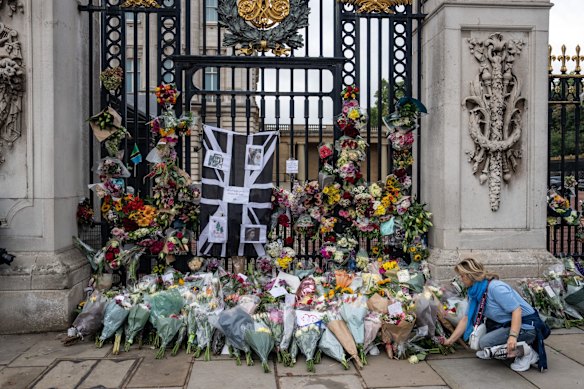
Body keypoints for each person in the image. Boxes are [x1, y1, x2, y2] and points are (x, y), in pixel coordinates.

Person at [442, 258, 550, 372]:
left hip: (527, 326)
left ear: (471, 276)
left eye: (462, 276)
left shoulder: (495, 288)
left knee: (485, 342)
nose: (460, 279)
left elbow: (517, 311)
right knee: (480, 341)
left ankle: (527, 353)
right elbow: (466, 318)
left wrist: (512, 337)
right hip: (505, 324)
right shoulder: (475, 292)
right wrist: (450, 341)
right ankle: (500, 348)